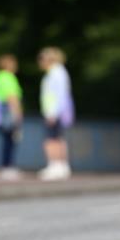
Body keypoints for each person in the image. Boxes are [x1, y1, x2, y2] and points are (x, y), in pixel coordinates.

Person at [37, 47, 74, 181]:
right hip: (59, 111)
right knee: (59, 138)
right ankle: (62, 166)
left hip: (54, 111)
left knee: (51, 139)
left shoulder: (55, 73)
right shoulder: (59, 72)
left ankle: (54, 165)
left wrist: (52, 112)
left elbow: (57, 94)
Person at [0, 54, 23, 180]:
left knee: (6, 139)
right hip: (6, 113)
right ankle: (8, 167)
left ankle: (4, 166)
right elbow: (12, 97)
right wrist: (17, 115)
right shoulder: (8, 77)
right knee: (10, 140)